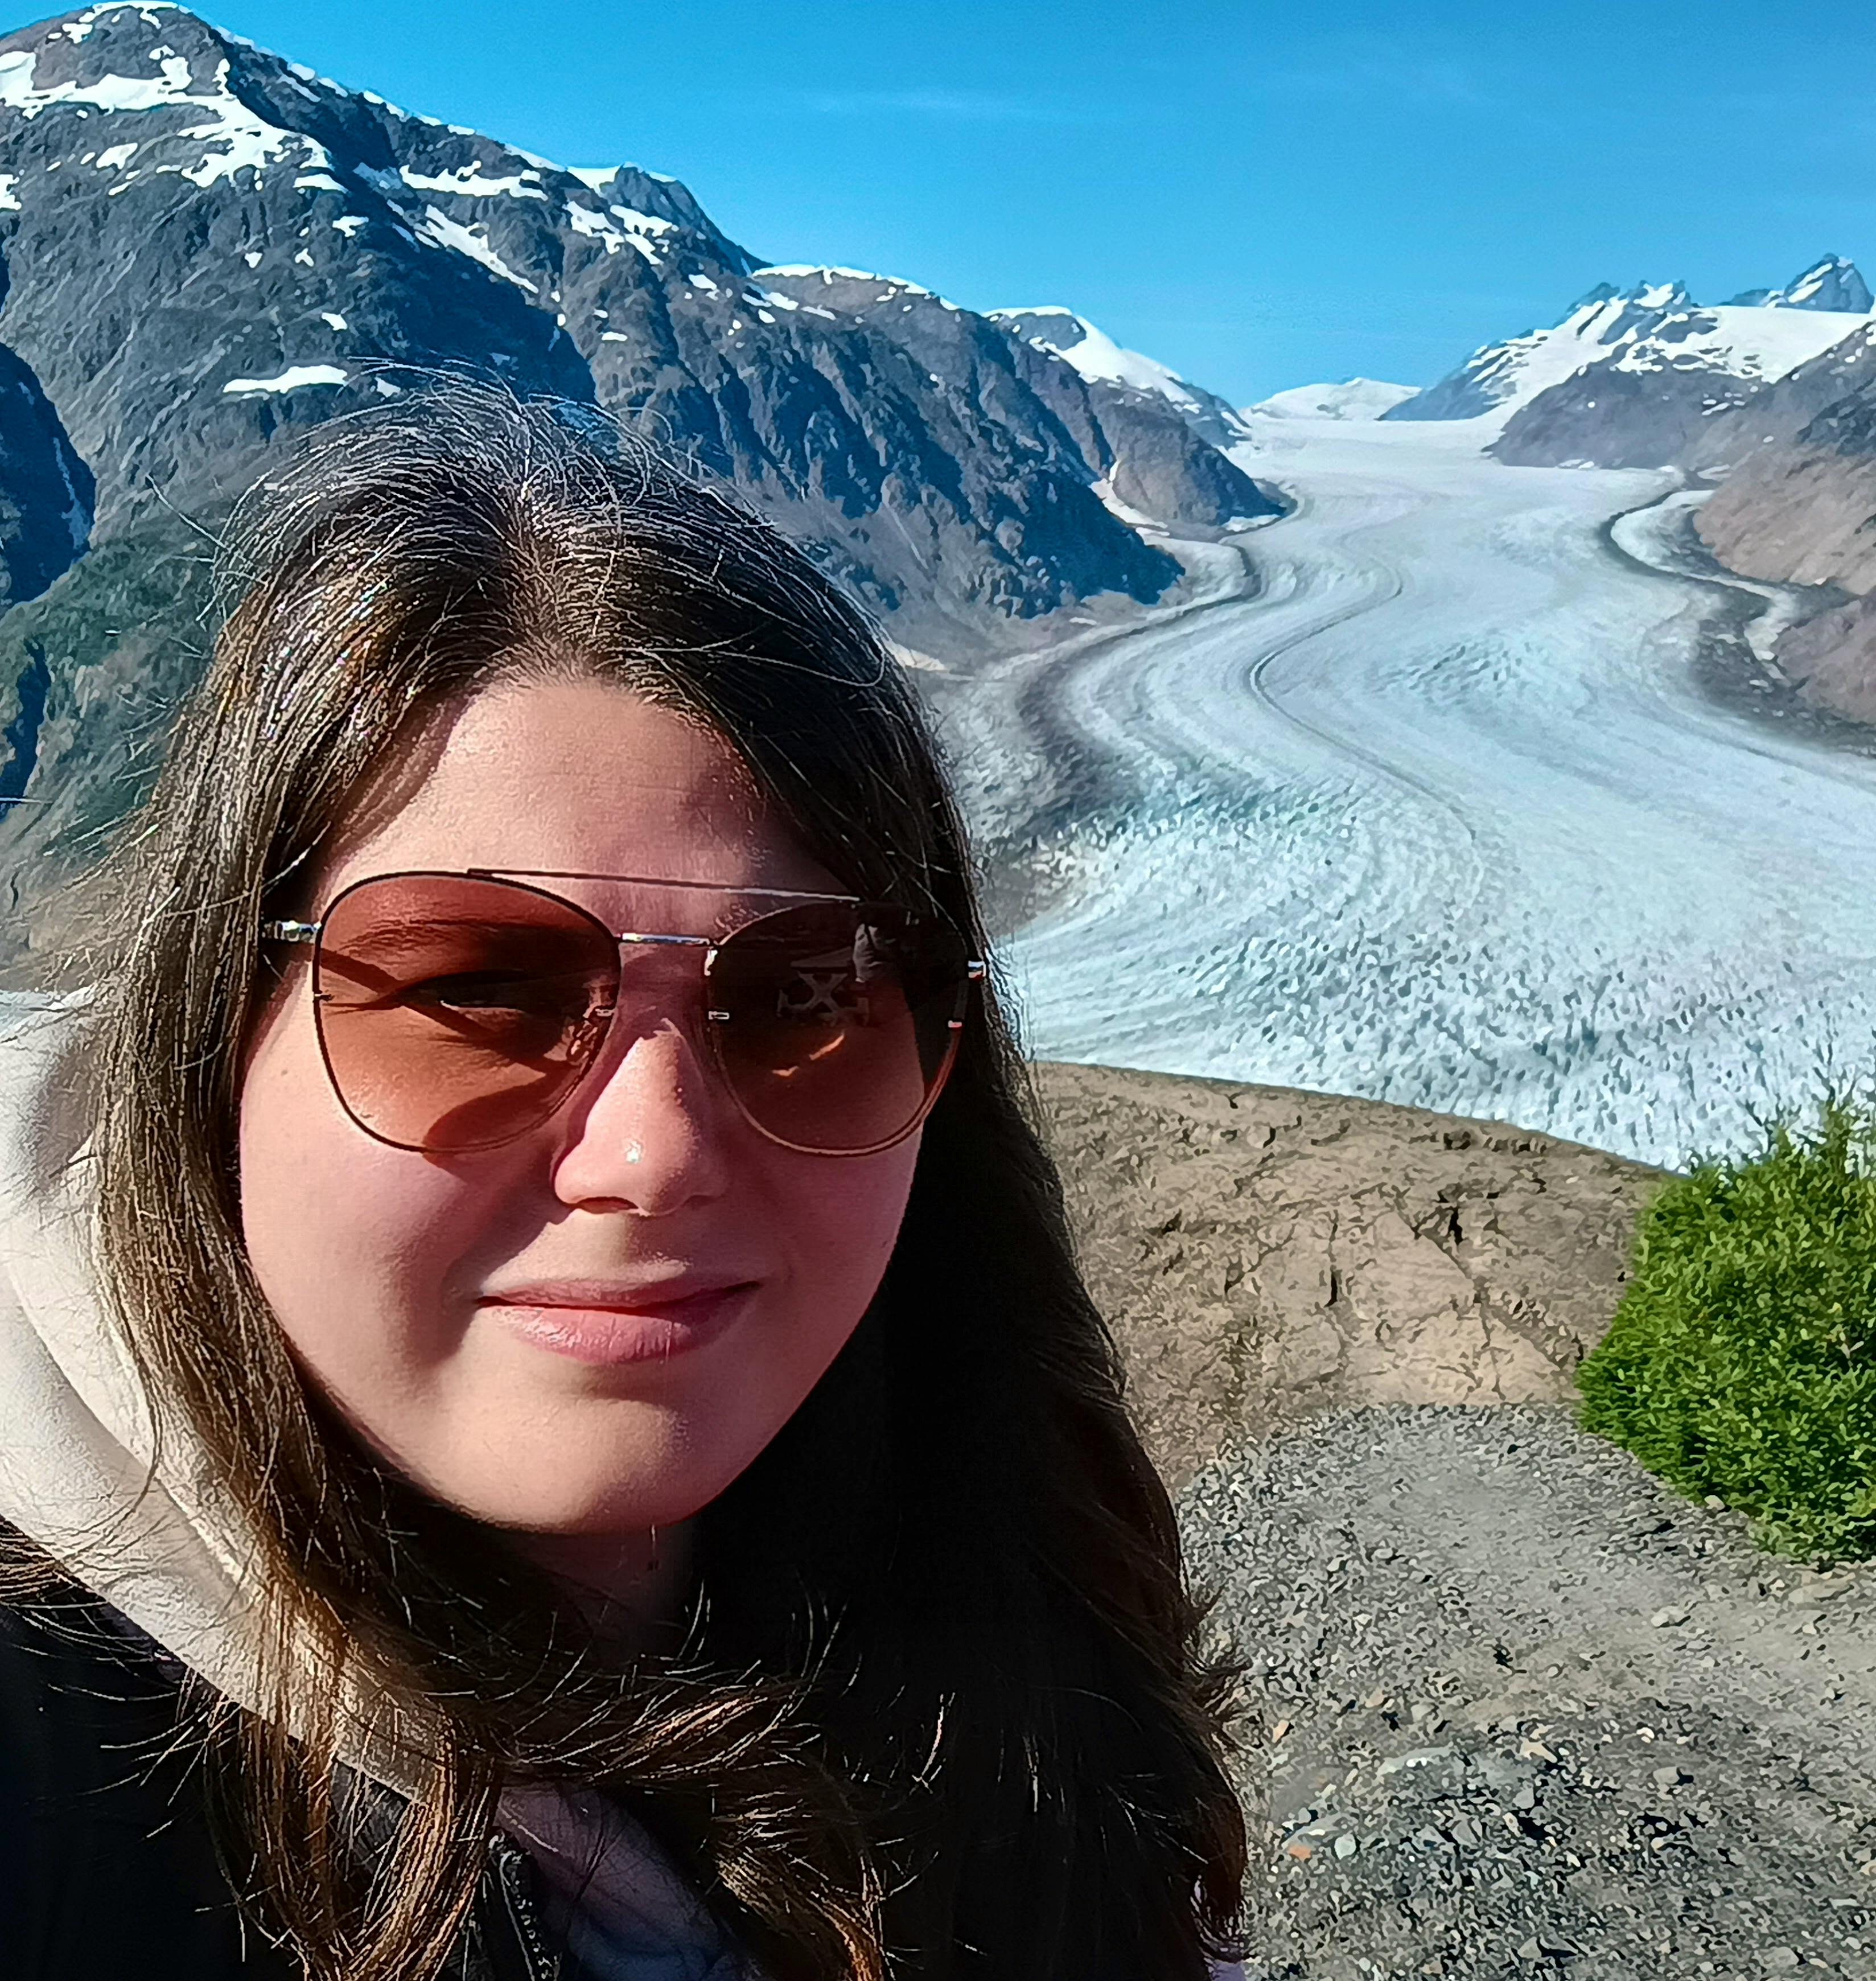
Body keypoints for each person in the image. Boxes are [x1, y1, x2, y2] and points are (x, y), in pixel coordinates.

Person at [0, 389, 1248, 1979]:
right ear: (213, 1031)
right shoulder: (47, 1746)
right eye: (475, 991)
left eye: (806, 996)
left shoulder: (1012, 1605)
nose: (653, 1156)